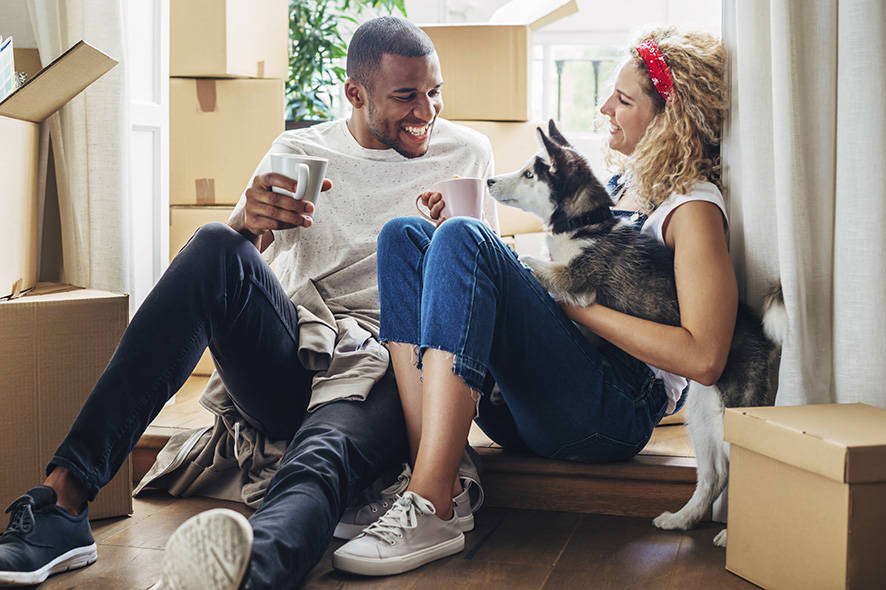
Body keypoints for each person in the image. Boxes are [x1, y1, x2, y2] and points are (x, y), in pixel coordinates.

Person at [0, 16, 494, 589]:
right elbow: (244, 254)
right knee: (215, 242)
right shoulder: (300, 151)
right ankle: (63, 502)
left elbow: (476, 286)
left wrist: (449, 237)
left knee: (319, 453)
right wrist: (246, 223)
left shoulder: (467, 152)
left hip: (392, 367)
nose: (426, 112)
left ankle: (242, 574)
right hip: (300, 350)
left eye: (435, 93)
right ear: (355, 93)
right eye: (406, 96)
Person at [332, 27, 732, 575]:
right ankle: (438, 475)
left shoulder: (692, 209)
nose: (603, 106)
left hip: (610, 410)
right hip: (535, 404)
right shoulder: (621, 187)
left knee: (466, 239)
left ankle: (431, 503)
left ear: (671, 118)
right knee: (404, 236)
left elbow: (705, 357)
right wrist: (472, 261)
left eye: (624, 98)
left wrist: (567, 299)